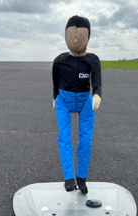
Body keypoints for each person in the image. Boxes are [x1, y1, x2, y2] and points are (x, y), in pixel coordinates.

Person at [52, 15, 102, 194]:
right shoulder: (59, 61)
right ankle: (68, 178)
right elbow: (55, 83)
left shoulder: (92, 60)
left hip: (85, 102)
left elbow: (97, 82)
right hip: (63, 102)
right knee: (64, 137)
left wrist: (97, 95)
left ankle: (81, 178)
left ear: (87, 37)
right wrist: (54, 97)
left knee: (85, 141)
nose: (75, 38)